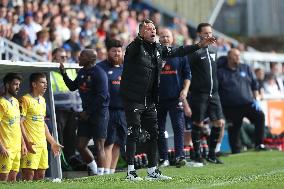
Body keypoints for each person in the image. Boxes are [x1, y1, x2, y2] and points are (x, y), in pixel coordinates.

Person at [120, 19, 216, 181]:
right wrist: (139, 35)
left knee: (154, 133)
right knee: (134, 133)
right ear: (141, 32)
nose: (153, 31)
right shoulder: (134, 47)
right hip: (134, 98)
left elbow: (179, 51)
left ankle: (152, 170)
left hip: (150, 99)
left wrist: (199, 45)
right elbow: (135, 45)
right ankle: (131, 172)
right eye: (149, 29)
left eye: (154, 28)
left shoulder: (158, 48)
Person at [60, 49, 110, 175]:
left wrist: (88, 112)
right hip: (86, 114)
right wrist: (64, 74)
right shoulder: (82, 72)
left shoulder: (99, 73)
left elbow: (102, 97)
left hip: (99, 114)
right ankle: (94, 170)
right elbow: (72, 87)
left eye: (82, 55)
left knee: (99, 146)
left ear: (90, 59)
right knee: (80, 145)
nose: (79, 57)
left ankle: (101, 174)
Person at [188, 23, 225, 165]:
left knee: (219, 122)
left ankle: (211, 154)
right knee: (198, 122)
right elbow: (187, 71)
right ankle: (197, 155)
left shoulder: (214, 50)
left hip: (214, 94)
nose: (209, 35)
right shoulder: (194, 52)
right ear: (199, 34)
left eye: (210, 33)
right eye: (205, 33)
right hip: (199, 94)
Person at [217, 48, 266, 154]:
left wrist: (256, 99)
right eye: (235, 55)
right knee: (234, 129)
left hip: (248, 104)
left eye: (239, 55)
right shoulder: (221, 72)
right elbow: (217, 90)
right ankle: (236, 150)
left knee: (260, 116)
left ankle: (259, 144)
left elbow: (254, 85)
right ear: (229, 57)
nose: (238, 57)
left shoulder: (246, 68)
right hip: (231, 107)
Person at [157, 28, 191, 168]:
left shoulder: (180, 54)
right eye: (163, 36)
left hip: (175, 97)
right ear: (159, 39)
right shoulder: (155, 54)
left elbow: (187, 75)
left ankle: (179, 156)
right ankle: (163, 158)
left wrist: (185, 90)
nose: (165, 39)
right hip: (158, 97)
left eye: (168, 36)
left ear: (172, 38)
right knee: (159, 128)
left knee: (178, 127)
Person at [20, 73, 63, 180]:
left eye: (46, 83)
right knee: (28, 176)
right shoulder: (25, 99)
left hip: (42, 144)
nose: (45, 85)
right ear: (34, 84)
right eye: (42, 82)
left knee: (41, 175)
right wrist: (25, 142)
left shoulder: (42, 100)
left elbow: (42, 124)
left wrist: (52, 142)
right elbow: (19, 123)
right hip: (31, 144)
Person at [97, 39, 127, 174]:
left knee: (118, 144)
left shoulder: (125, 68)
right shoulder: (100, 68)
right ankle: (105, 172)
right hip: (107, 111)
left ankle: (112, 172)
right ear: (108, 52)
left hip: (123, 111)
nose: (117, 54)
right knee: (108, 144)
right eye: (114, 51)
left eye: (119, 51)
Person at [51, 48, 81, 162]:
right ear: (54, 58)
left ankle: (71, 159)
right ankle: (61, 162)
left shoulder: (71, 69)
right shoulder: (50, 71)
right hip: (58, 110)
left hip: (71, 109)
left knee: (71, 136)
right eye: (62, 57)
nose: (65, 59)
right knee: (60, 137)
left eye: (66, 57)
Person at [0, 73, 26, 182]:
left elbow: (17, 125)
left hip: (16, 148)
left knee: (13, 179)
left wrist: (23, 144)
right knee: (3, 180)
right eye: (15, 84)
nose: (18, 87)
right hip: (6, 148)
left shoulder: (15, 102)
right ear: (7, 85)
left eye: (19, 84)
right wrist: (1, 147)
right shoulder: (1, 103)